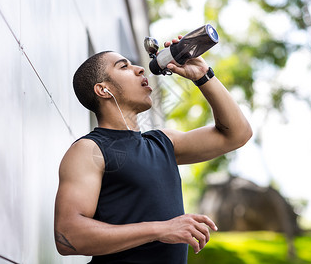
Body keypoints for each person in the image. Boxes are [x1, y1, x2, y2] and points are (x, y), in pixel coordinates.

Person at [54, 36, 252, 263]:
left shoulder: (163, 141)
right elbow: (66, 235)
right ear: (103, 90)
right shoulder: (88, 150)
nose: (140, 70)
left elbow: (237, 134)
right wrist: (160, 229)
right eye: (124, 66)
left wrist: (203, 75)